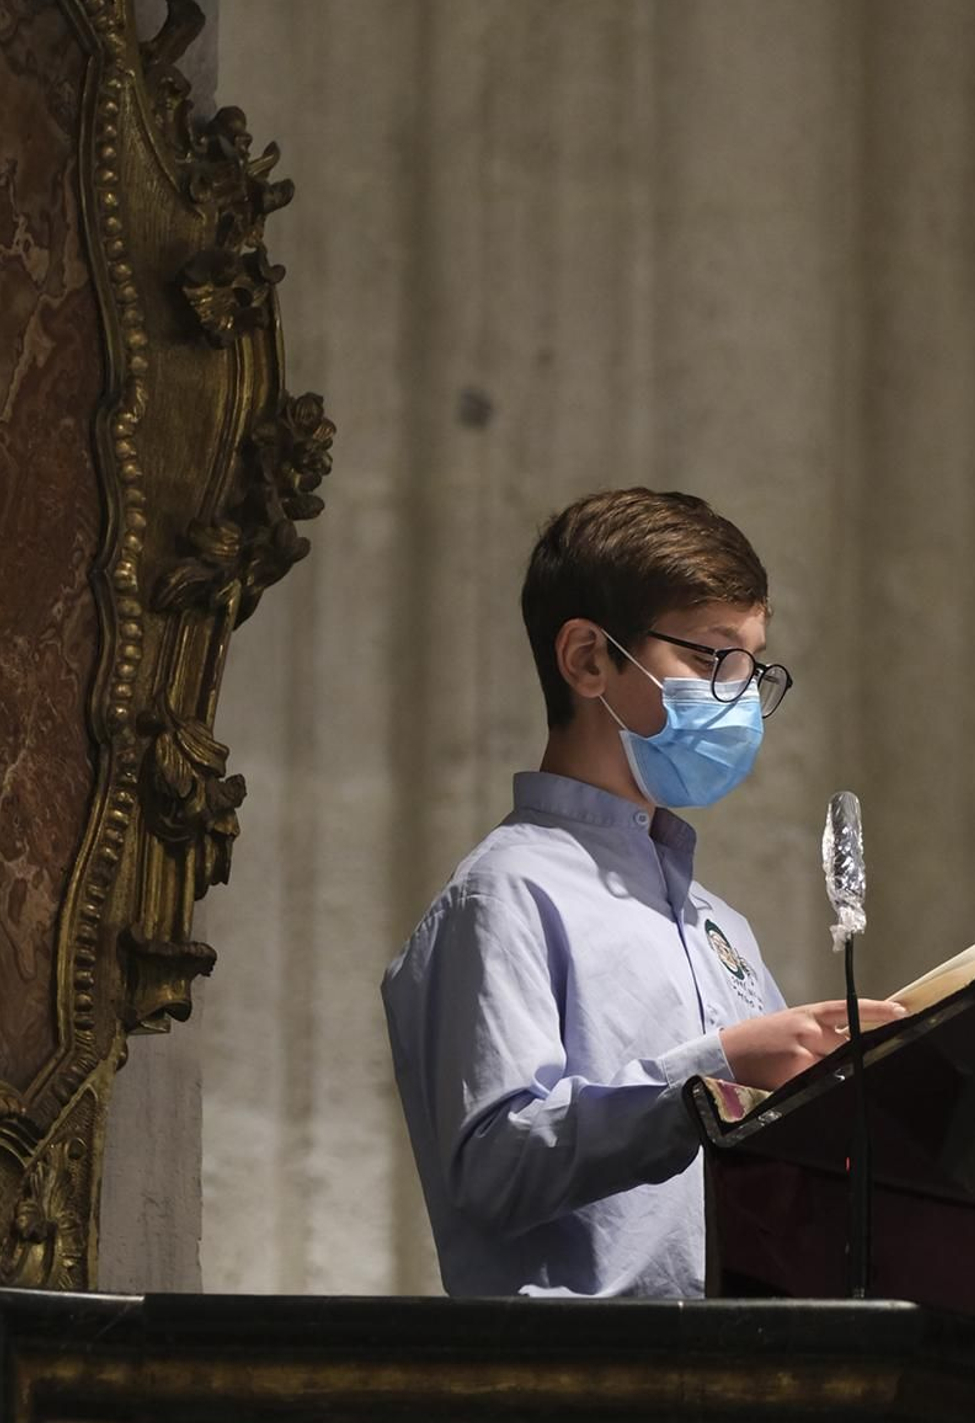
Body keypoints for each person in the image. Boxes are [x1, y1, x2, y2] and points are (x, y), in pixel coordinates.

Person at [382, 487, 903, 1298]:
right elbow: (492, 1166)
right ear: (589, 658)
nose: (739, 695)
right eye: (708, 658)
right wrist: (712, 1074)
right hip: (590, 1393)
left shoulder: (716, 924)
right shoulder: (505, 891)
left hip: (749, 1371)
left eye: (751, 665)